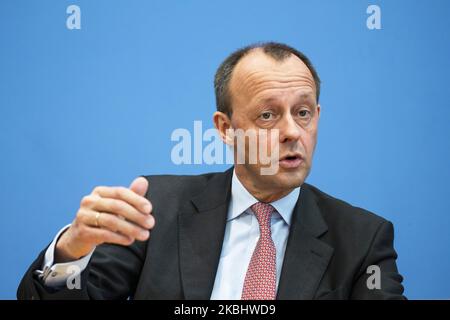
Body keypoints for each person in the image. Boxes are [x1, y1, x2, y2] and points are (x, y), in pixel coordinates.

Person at [17, 42, 405, 300]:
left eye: (303, 113)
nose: (291, 132)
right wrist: (72, 250)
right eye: (268, 115)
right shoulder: (155, 209)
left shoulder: (363, 239)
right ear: (224, 129)